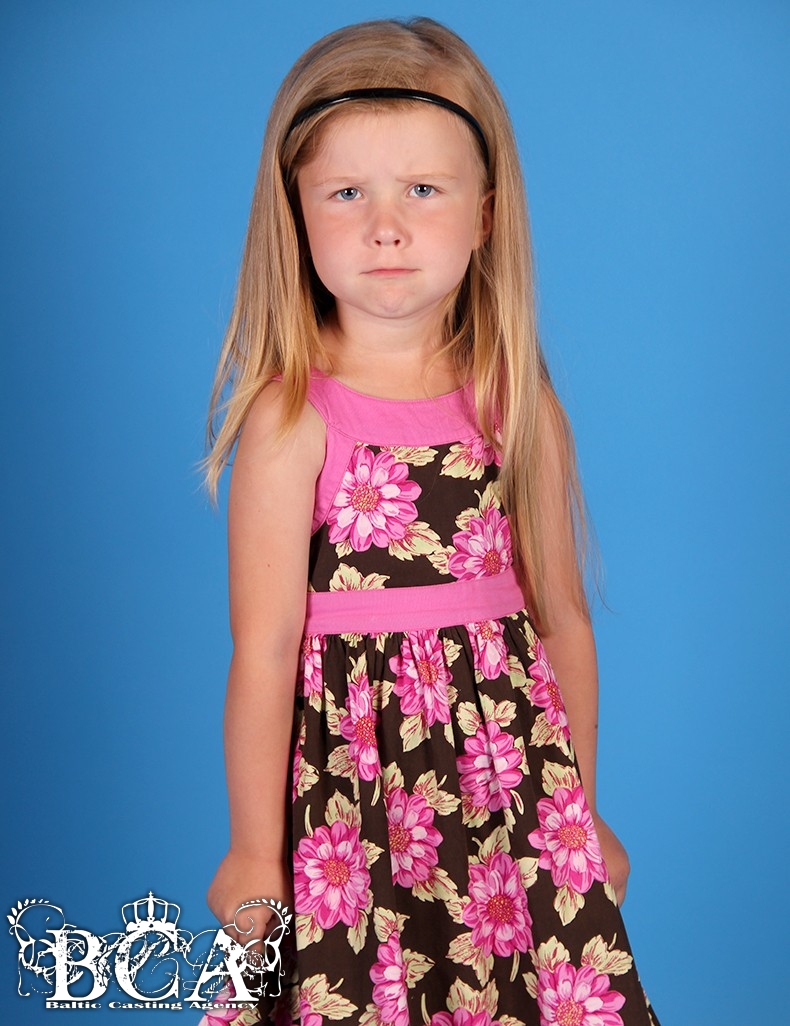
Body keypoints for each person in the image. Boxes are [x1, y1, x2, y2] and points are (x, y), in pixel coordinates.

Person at [200, 16, 660, 1026]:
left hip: (507, 802)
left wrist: (579, 812)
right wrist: (252, 852)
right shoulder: (292, 419)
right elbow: (265, 649)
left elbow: (562, 621)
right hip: (353, 804)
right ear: (295, 216)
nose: (386, 227)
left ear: (485, 216)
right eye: (345, 193)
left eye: (422, 189)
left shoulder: (517, 408)